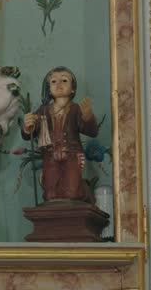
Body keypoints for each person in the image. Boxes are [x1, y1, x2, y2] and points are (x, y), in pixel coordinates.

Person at [22, 66, 98, 203]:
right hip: (50, 156)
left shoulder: (75, 109)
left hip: (71, 155)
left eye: (64, 80)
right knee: (50, 195)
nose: (58, 84)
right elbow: (30, 133)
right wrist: (28, 127)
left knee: (72, 193)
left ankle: (84, 190)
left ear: (73, 88)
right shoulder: (43, 110)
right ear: (48, 89)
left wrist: (87, 117)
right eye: (53, 81)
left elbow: (92, 131)